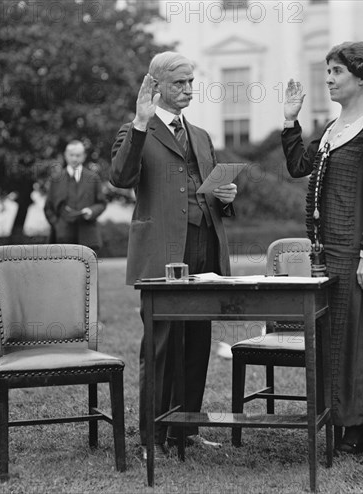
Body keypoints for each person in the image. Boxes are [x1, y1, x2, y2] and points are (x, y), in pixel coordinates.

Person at [110, 52, 237, 458]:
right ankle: (153, 436)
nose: (188, 89)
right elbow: (121, 177)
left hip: (205, 248)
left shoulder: (200, 135)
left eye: (190, 82)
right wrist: (140, 123)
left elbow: (208, 188)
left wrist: (226, 197)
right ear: (157, 85)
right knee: (162, 344)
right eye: (180, 83)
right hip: (161, 252)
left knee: (197, 341)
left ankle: (187, 429)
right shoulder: (137, 131)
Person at [282, 41, 363, 464]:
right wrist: (290, 120)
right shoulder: (333, 130)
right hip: (326, 253)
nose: (328, 78)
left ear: (362, 78)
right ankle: (350, 429)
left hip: (356, 250)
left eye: (336, 72)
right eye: (328, 71)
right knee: (337, 339)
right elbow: (299, 165)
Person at [44, 140, 106, 252]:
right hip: (62, 238)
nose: (74, 159)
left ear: (84, 156)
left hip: (88, 236)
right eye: (71, 155)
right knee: (63, 269)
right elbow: (48, 208)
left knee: (86, 269)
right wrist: (58, 224)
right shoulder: (56, 179)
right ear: (65, 155)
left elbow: (101, 203)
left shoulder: (93, 178)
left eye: (78, 155)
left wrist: (91, 211)